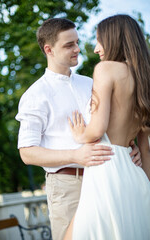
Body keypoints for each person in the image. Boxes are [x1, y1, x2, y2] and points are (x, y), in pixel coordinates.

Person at [15, 18, 142, 240]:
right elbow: (26, 152)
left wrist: (131, 147)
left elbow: (116, 126)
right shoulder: (35, 95)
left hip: (109, 179)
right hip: (67, 186)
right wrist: (76, 155)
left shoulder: (92, 82)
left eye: (77, 42)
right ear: (48, 49)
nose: (78, 49)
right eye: (69, 45)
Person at [64, 14, 150, 240]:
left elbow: (97, 129)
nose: (95, 49)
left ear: (113, 39)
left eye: (99, 40)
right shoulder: (144, 78)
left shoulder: (106, 69)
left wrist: (80, 134)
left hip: (106, 169)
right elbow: (146, 148)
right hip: (136, 175)